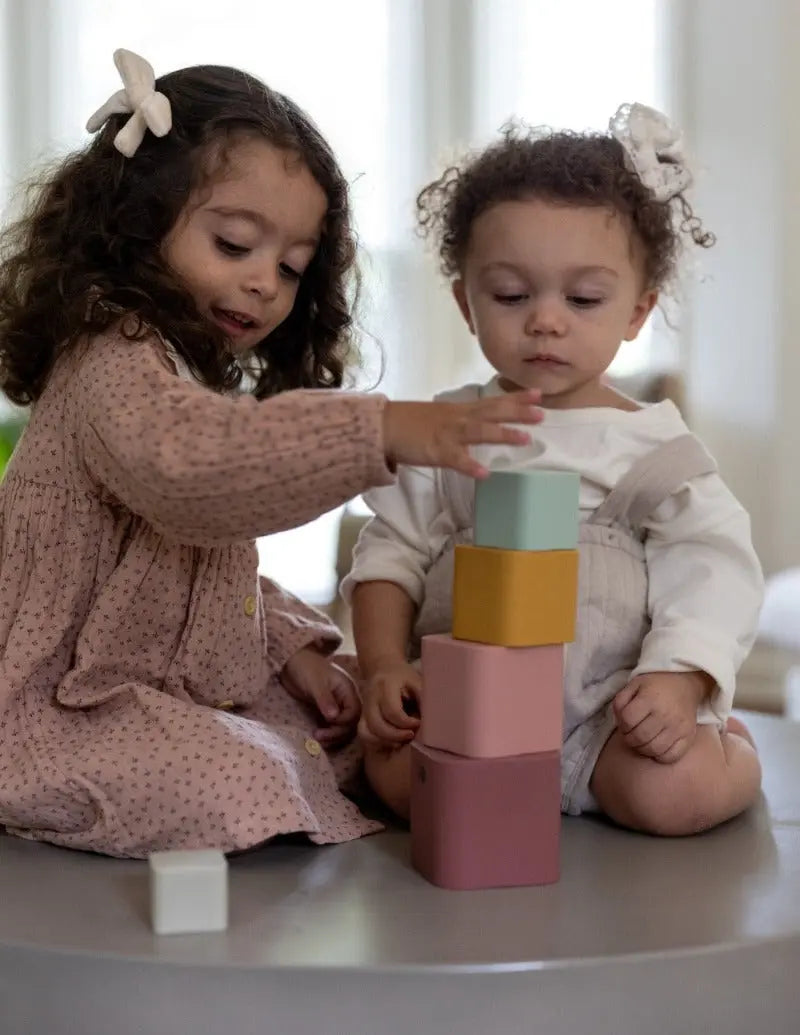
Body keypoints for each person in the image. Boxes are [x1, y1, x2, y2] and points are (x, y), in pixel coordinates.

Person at [0, 50, 543, 858]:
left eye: (289, 267)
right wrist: (377, 429)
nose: (264, 283)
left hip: (155, 688)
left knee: (348, 712)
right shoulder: (110, 357)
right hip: (54, 707)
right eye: (234, 244)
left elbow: (211, 565)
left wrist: (292, 649)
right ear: (138, 222)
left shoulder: (177, 368)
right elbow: (194, 471)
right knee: (243, 774)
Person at [344, 104, 764, 836]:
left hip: (609, 719)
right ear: (466, 305)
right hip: (470, 712)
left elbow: (716, 567)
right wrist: (383, 665)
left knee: (674, 796)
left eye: (582, 298)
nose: (545, 319)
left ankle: (733, 754)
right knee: (388, 775)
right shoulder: (445, 432)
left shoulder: (657, 449)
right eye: (511, 295)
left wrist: (680, 675)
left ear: (637, 310)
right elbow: (389, 555)